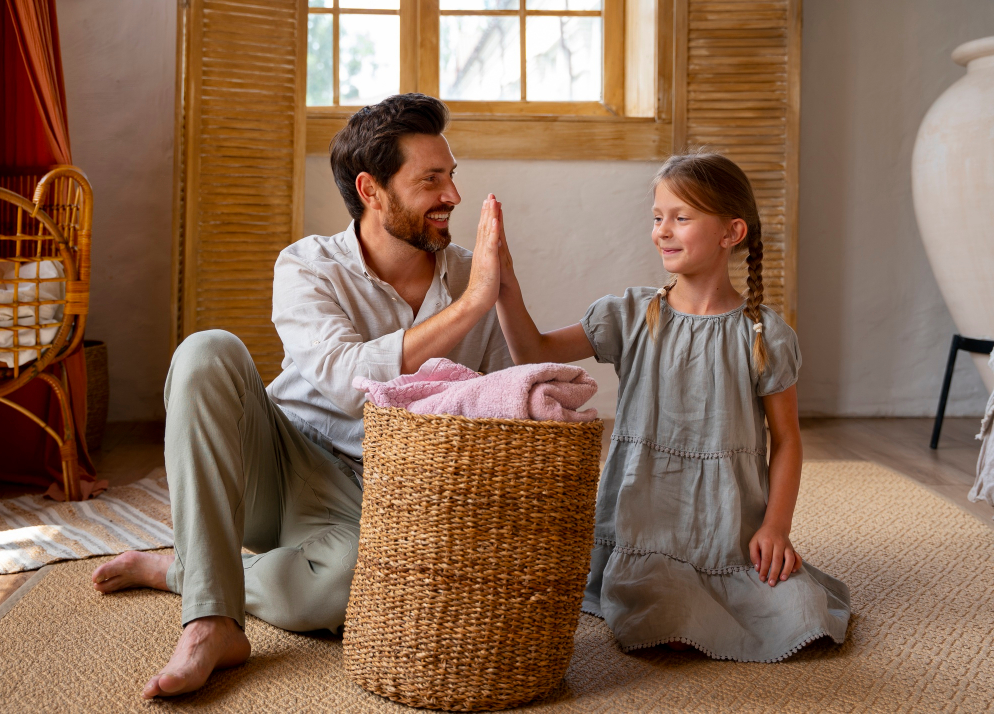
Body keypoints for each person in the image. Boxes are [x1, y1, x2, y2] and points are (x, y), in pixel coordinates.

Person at [88, 94, 513, 697]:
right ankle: (211, 622)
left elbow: (495, 401)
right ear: (371, 190)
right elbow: (346, 383)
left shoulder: (473, 273)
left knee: (351, 589)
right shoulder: (308, 265)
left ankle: (183, 571)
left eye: (452, 176)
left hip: (381, 497)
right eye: (431, 179)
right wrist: (474, 304)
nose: (453, 195)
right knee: (206, 351)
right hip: (282, 464)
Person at [493, 152, 850, 661]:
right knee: (666, 626)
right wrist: (503, 284)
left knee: (806, 620)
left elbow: (788, 439)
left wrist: (776, 527)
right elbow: (532, 352)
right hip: (648, 525)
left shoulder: (765, 334)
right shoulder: (633, 314)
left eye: (681, 218)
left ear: (731, 232)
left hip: (729, 530)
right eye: (658, 217)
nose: (663, 230)